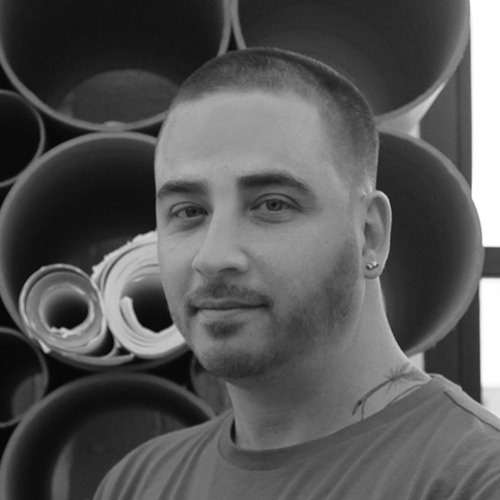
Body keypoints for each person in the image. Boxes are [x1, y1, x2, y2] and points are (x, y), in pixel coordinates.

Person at [93, 47, 500, 499]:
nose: (213, 257)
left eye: (272, 204)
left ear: (369, 235)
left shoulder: (475, 480)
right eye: (188, 211)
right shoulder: (135, 483)